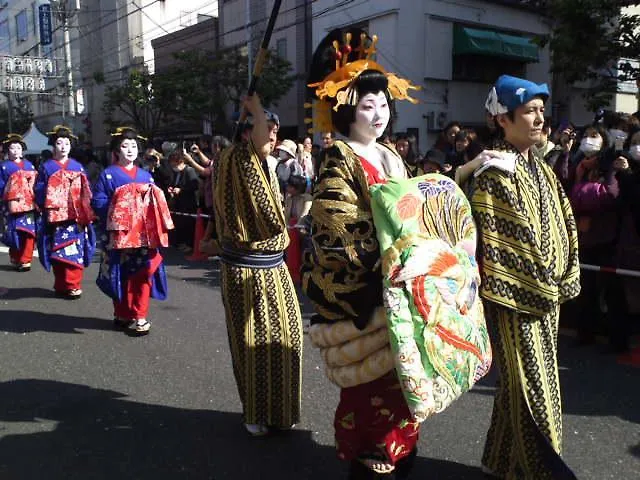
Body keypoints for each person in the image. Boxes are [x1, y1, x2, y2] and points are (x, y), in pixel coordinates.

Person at [303, 28, 421, 479]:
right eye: (368, 105)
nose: (378, 114)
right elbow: (336, 229)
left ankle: (402, 444)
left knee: (405, 378)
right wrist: (387, 260)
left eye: (384, 104)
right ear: (346, 110)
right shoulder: (340, 158)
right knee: (372, 380)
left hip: (403, 278)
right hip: (371, 284)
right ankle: (371, 448)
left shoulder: (392, 157)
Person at [472, 75, 581, 479]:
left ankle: (499, 461)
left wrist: (564, 275)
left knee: (518, 388)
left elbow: (565, 221)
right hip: (517, 300)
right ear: (503, 118)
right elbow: (505, 241)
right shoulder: (494, 170)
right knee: (536, 392)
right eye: (530, 111)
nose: (540, 119)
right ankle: (545, 473)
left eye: (541, 111)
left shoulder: (538, 166)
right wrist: (545, 285)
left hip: (544, 296)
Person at [213, 94, 303, 437]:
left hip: (273, 266)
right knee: (253, 346)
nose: (273, 136)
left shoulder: (260, 161)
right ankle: (255, 411)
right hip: (247, 268)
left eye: (276, 130)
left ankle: (280, 411)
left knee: (287, 340)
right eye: (266, 128)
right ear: (246, 131)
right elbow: (268, 219)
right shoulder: (239, 158)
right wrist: (256, 106)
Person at [92, 127, 174, 335]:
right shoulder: (108, 175)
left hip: (144, 236)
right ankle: (121, 313)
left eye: (134, 146)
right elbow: (99, 201)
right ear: (117, 150)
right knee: (119, 273)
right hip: (119, 234)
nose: (130, 150)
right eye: (125, 146)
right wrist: (121, 207)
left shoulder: (146, 176)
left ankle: (139, 316)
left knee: (143, 273)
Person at [35, 125, 96, 299]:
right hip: (55, 216)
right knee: (57, 251)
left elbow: (86, 189)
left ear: (71, 146)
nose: (63, 146)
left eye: (66, 143)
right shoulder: (46, 167)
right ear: (53, 146)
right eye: (59, 143)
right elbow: (39, 189)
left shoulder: (77, 166)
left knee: (74, 249)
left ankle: (73, 284)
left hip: (75, 216)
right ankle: (61, 283)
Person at [0, 134, 37, 271]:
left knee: (28, 232)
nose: (16, 150)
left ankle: (25, 259)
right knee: (13, 232)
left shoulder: (29, 165)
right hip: (10, 205)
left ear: (23, 150)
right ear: (7, 150)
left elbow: (35, 184)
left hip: (29, 205)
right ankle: (15, 256)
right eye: (12, 148)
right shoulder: (3, 167)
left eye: (19, 147)